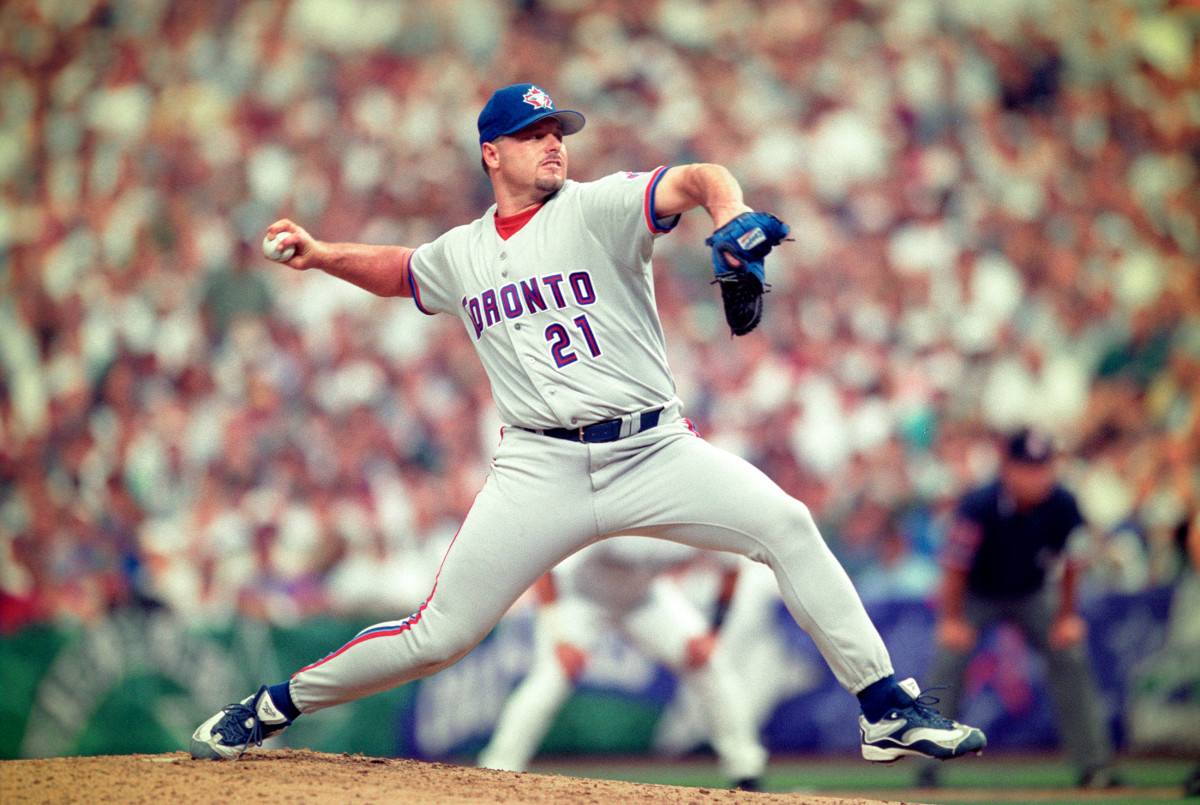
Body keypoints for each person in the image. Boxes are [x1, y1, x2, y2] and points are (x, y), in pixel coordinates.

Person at [190, 83, 985, 765]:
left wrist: (732, 207)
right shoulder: (463, 251)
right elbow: (402, 272)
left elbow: (699, 177)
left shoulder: (599, 206)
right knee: (438, 635)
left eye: (557, 133)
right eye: (531, 136)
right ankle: (267, 710)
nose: (552, 146)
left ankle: (885, 706)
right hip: (539, 468)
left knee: (786, 522)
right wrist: (324, 253)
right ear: (490, 154)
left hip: (653, 447)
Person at [477, 537, 768, 790]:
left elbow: (731, 566)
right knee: (551, 677)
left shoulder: (690, 507)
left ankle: (747, 772)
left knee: (710, 664)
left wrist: (714, 632)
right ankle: (497, 767)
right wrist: (559, 636)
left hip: (645, 600)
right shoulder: (615, 504)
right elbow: (545, 567)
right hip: (579, 597)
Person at [916, 427, 1116, 789]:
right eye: (1027, 468)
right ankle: (928, 765)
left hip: (1031, 593)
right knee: (948, 658)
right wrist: (952, 619)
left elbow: (1074, 560)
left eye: (1043, 468)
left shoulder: (1062, 503)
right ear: (1007, 468)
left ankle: (1095, 765)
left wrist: (1068, 616)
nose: (1037, 477)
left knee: (1070, 655)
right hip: (978, 594)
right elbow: (955, 566)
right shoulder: (979, 503)